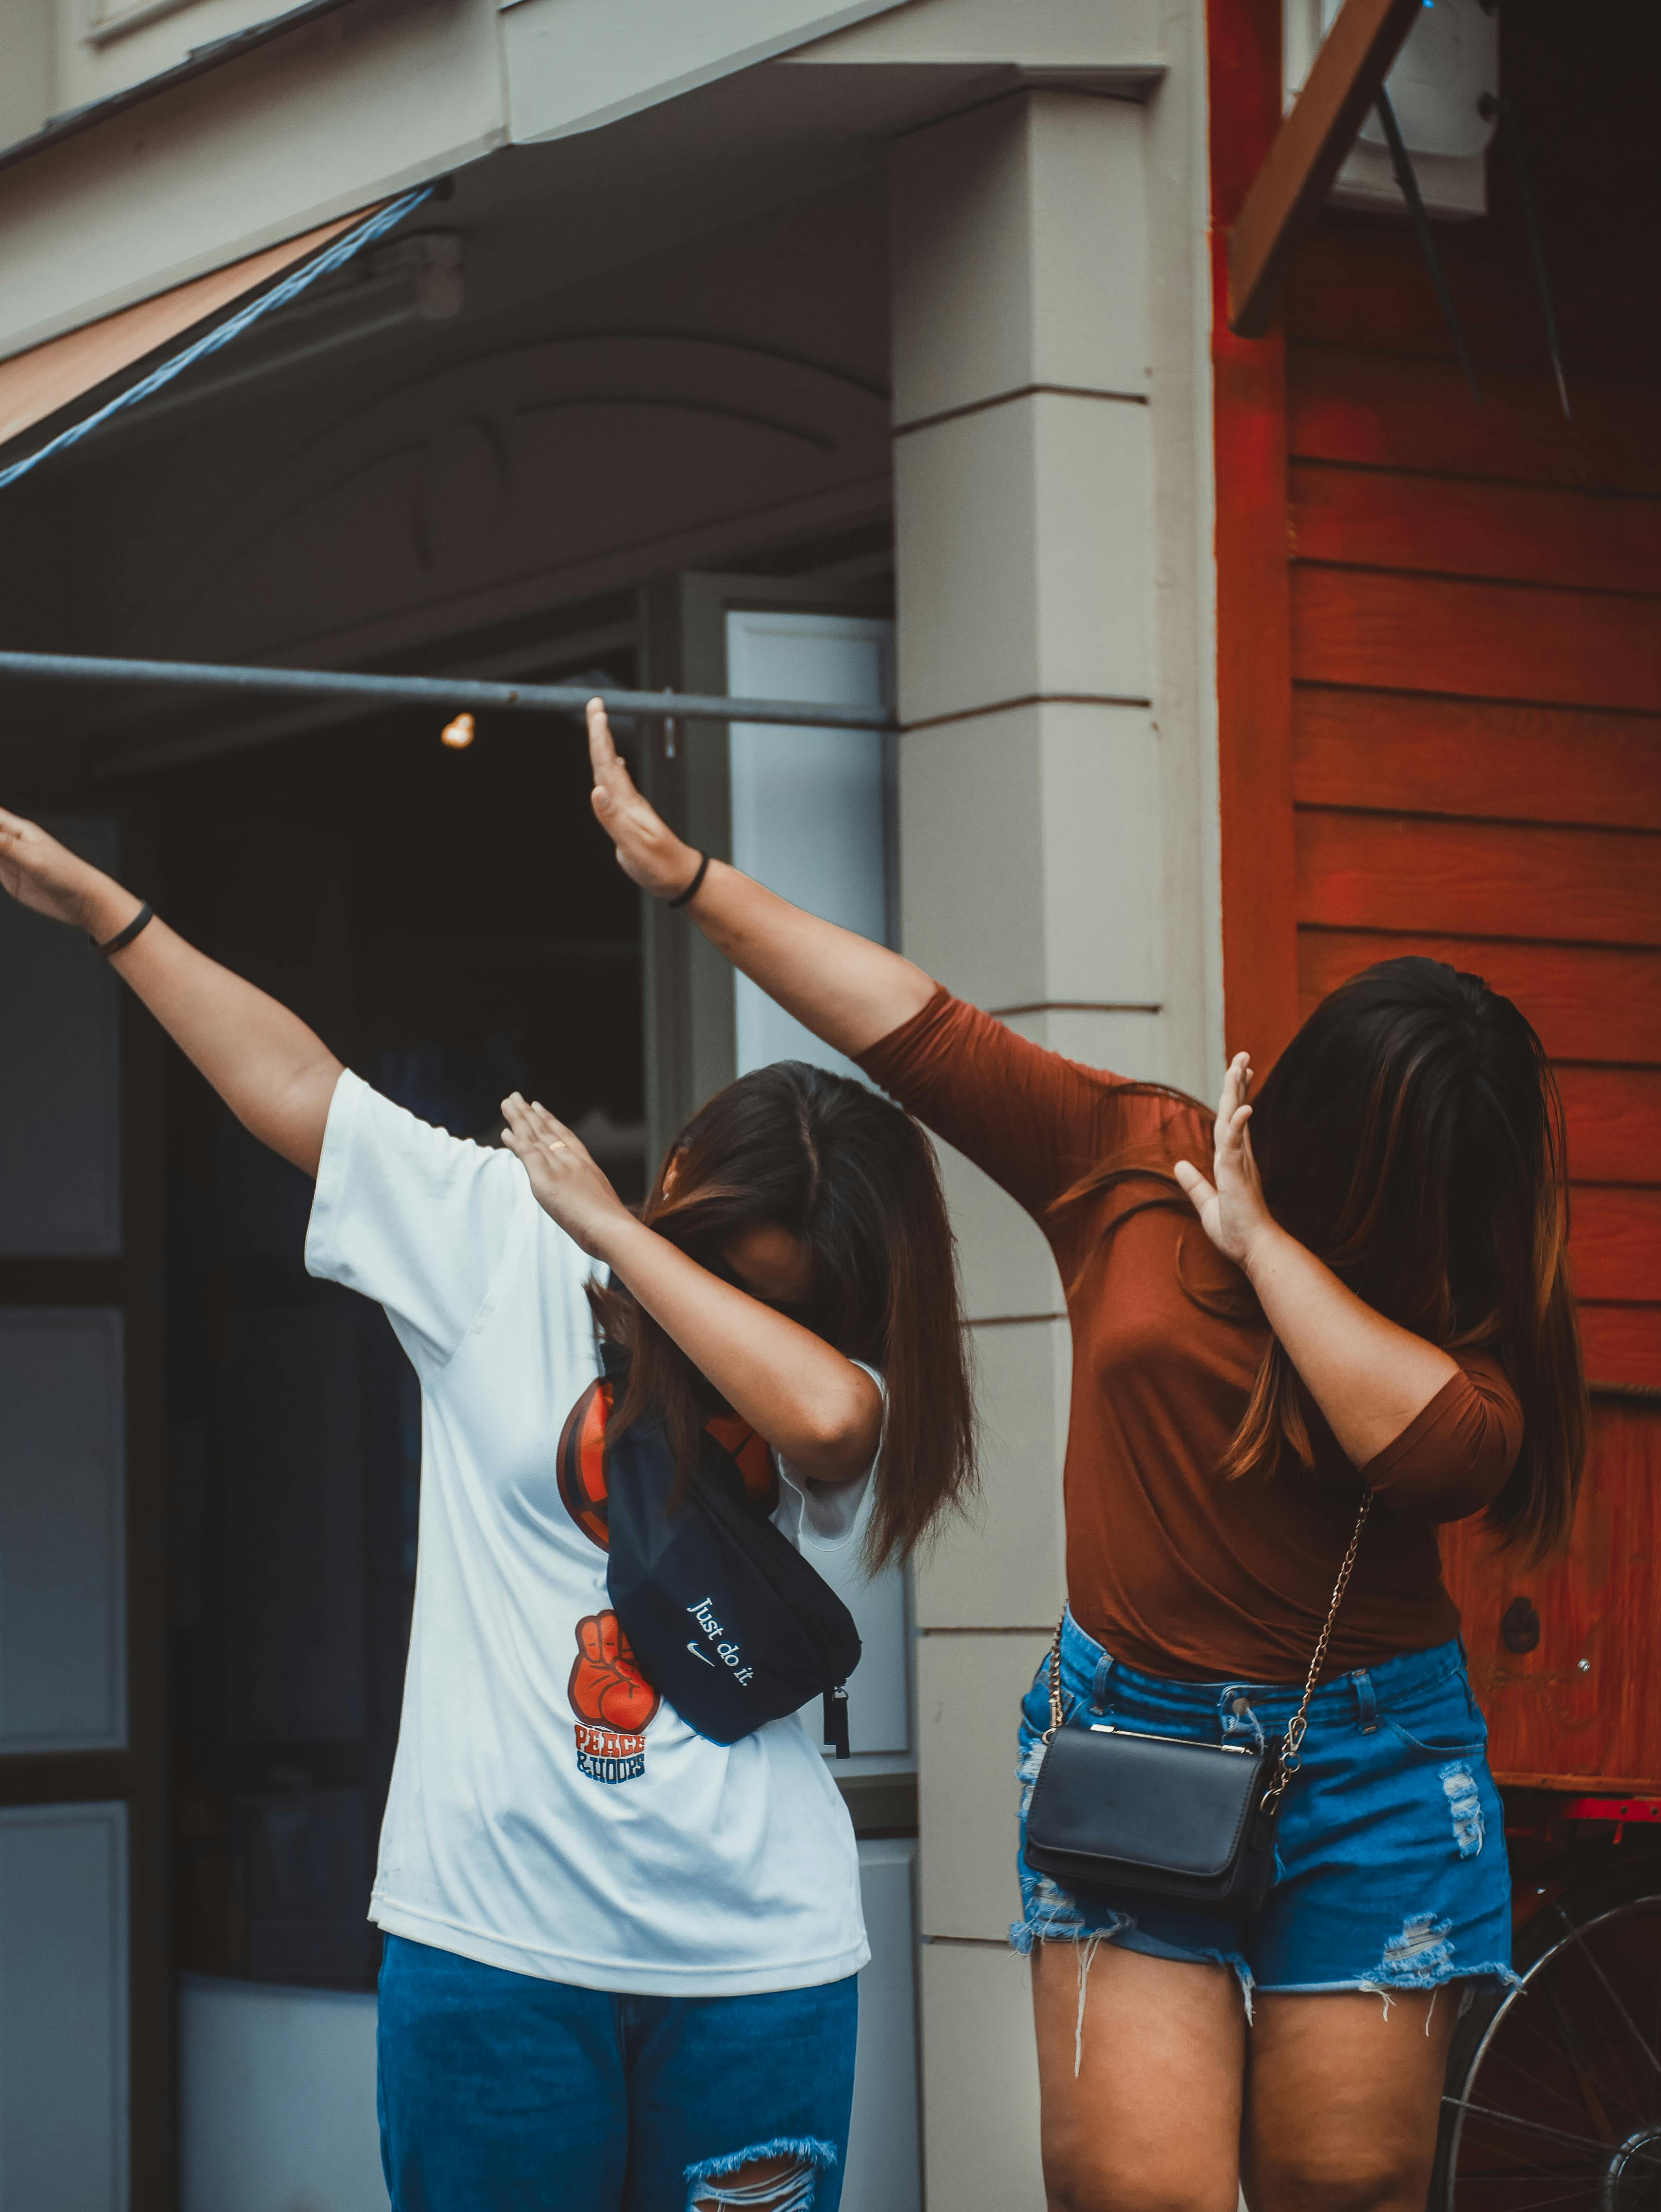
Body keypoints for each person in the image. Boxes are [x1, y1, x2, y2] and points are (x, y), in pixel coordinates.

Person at [579, 700, 1588, 2212]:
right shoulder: (1132, 1156)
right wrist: (688, 877)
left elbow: (1438, 1456)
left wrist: (1261, 1244)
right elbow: (914, 1027)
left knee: (1344, 2187)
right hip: (1136, 1740)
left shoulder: (1464, 1337)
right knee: (1139, 2192)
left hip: (1375, 1767)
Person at [0, 803, 975, 2212]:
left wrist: (623, 1237)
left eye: (785, 1299)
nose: (748, 1318)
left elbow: (823, 1423)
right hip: (494, 1950)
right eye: (727, 1265)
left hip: (758, 1965)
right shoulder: (501, 1250)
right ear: (688, 1181)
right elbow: (297, 1087)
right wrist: (109, 911)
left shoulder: (843, 1383)